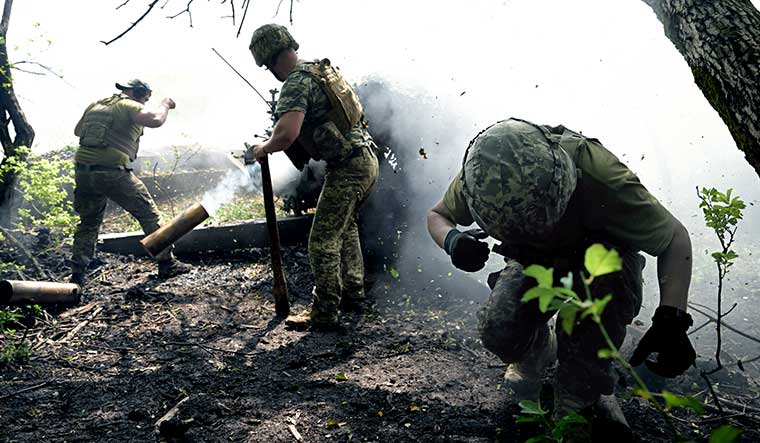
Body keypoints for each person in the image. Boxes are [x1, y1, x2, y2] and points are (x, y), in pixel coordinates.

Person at [427, 118, 696, 434]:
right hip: (535, 260)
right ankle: (541, 352)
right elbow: (438, 215)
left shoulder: (602, 176)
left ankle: (581, 383)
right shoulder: (486, 176)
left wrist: (671, 319)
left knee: (578, 389)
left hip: (601, 263)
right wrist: (453, 241)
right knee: (500, 329)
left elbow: (674, 239)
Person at [247, 24, 379, 330]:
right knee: (345, 227)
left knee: (321, 241)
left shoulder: (295, 83)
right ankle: (353, 292)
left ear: (271, 57)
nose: (270, 72)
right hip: (365, 159)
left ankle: (325, 312)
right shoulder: (321, 70)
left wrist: (263, 147)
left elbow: (287, 134)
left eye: (267, 65)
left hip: (348, 167)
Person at [69, 79, 190, 286]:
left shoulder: (97, 105)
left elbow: (78, 131)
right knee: (148, 213)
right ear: (138, 92)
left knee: (88, 223)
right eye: (145, 98)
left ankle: (77, 275)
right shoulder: (128, 105)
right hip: (112, 171)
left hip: (84, 172)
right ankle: (166, 263)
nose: (145, 103)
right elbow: (155, 120)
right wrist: (165, 104)